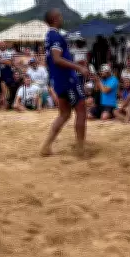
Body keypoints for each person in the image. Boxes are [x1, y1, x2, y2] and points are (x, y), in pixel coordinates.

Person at [40, 8, 89, 158]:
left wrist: (72, 64)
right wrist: (78, 67)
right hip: (67, 80)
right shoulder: (56, 36)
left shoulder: (48, 36)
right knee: (81, 111)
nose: (62, 18)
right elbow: (56, 59)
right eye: (60, 16)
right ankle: (80, 149)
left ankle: (46, 146)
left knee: (65, 114)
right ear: (55, 18)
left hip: (59, 80)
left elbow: (51, 61)